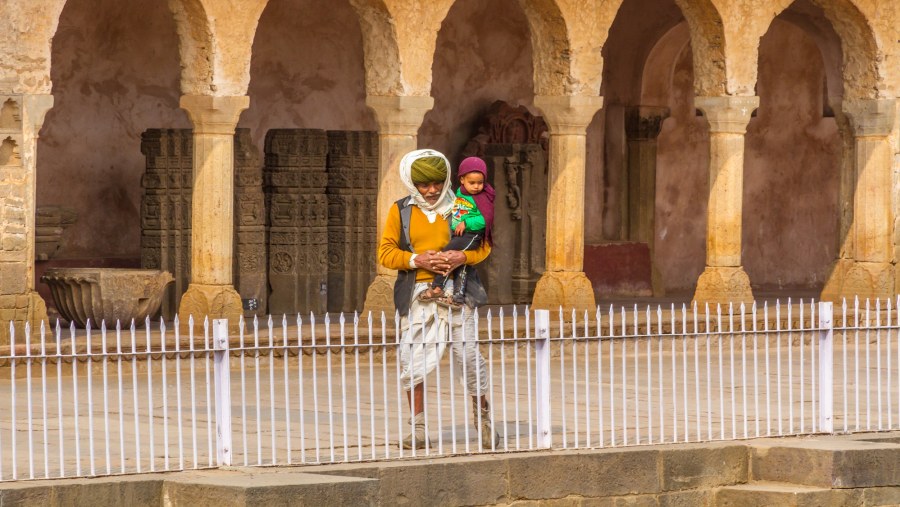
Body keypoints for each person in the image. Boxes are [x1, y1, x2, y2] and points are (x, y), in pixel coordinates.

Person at [377, 148, 499, 451]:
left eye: (436, 184)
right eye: (424, 185)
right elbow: (386, 253)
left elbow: (483, 245)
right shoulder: (401, 210)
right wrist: (418, 260)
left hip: (459, 289)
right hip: (417, 292)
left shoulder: (461, 205)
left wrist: (462, 256)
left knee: (469, 357)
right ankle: (417, 428)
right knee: (412, 360)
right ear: (412, 183)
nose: (431, 191)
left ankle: (483, 419)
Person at [420, 156, 495, 307]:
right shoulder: (461, 193)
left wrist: (466, 223)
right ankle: (458, 297)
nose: (476, 187)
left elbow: (485, 219)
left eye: (480, 183)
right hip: (460, 235)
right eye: (472, 183)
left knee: (446, 256)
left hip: (471, 236)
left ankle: (437, 287)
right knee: (461, 265)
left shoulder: (482, 197)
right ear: (462, 180)